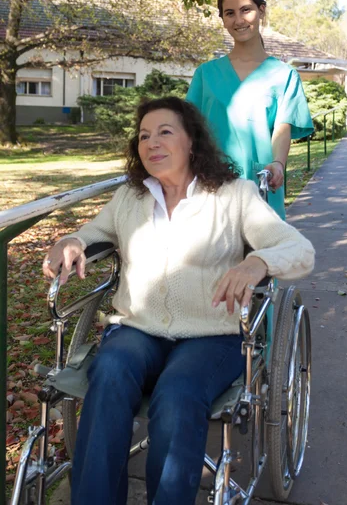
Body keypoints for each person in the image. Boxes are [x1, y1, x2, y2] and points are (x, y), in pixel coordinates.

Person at [42, 96, 315, 505]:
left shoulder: (234, 195)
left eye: (165, 132)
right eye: (144, 136)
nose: (151, 142)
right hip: (138, 329)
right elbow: (91, 232)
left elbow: (299, 249)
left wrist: (257, 261)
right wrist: (71, 241)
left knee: (179, 392)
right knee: (110, 372)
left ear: (192, 142)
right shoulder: (130, 198)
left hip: (210, 336)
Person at [186, 0, 314, 221]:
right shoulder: (205, 74)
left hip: (261, 184)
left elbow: (282, 129)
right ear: (222, 19)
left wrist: (278, 163)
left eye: (246, 10)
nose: (238, 20)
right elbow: (188, 132)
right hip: (212, 186)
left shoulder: (284, 75)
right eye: (229, 13)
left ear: (261, 11)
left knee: (261, 256)